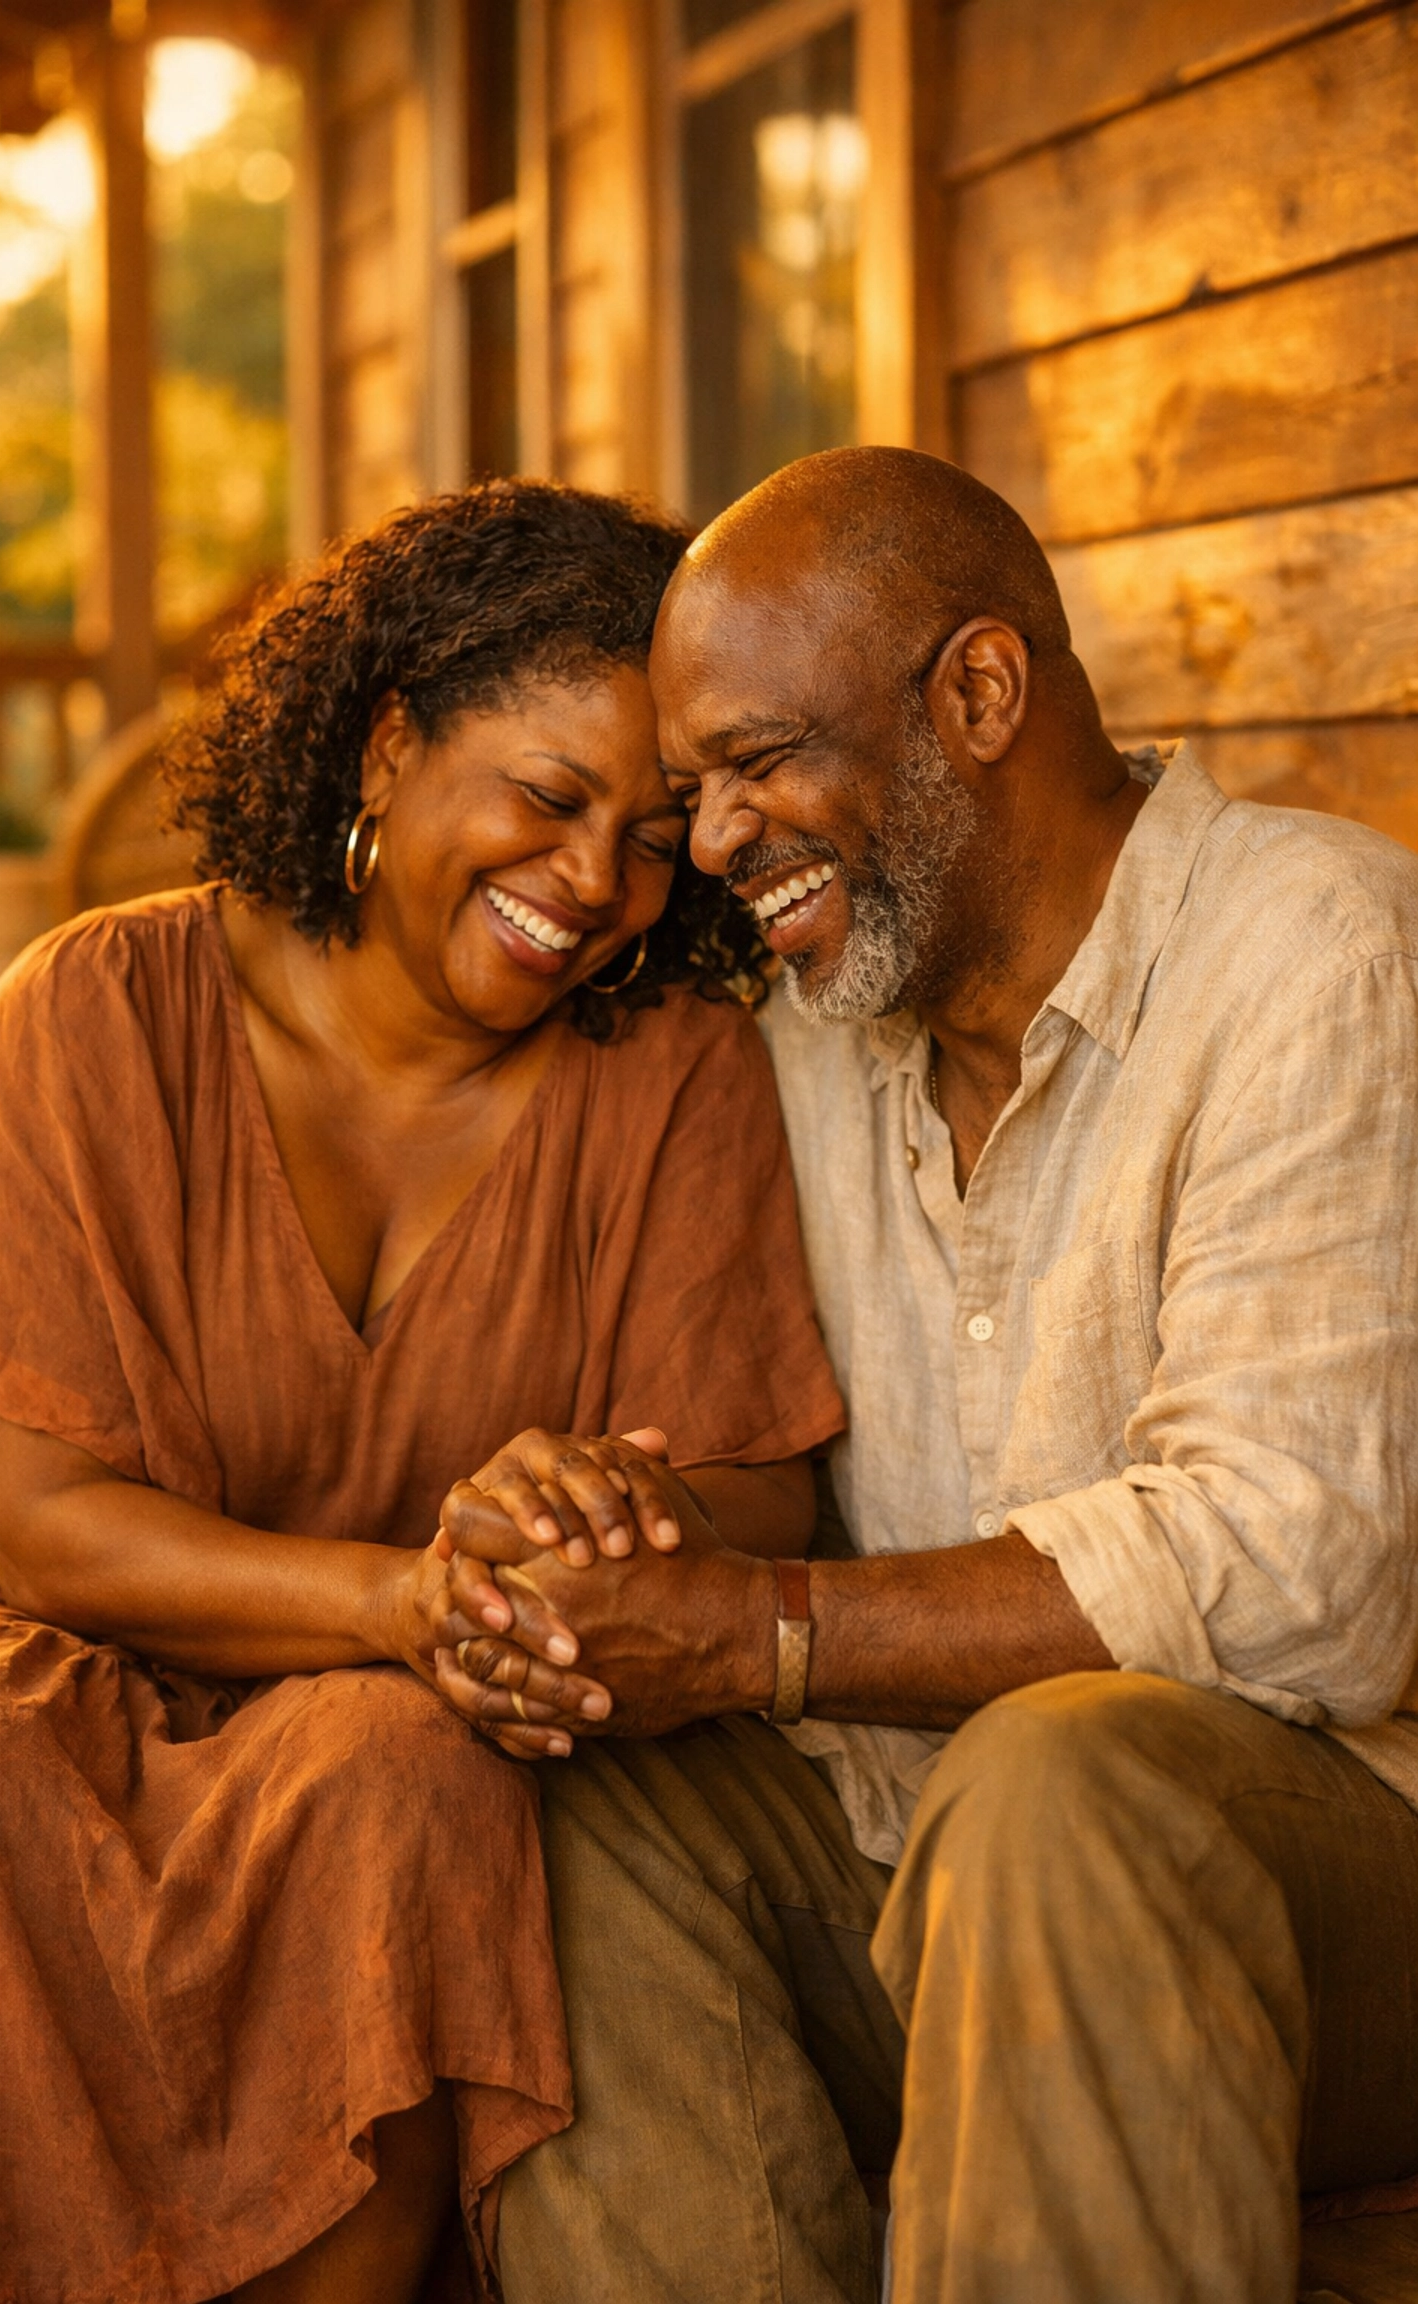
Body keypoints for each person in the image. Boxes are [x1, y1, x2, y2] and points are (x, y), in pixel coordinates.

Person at [431, 448, 1418, 2304]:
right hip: (911, 1868)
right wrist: (588, 1538)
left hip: (1330, 1882)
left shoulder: (1317, 950)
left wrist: (759, 1631)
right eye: (692, 790)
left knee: (1056, 1787)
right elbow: (724, 1466)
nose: (710, 843)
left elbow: (1305, 1574)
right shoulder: (809, 1035)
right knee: (568, 1790)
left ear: (977, 694)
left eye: (754, 763)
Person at [0, 480, 846, 2304]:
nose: (593, 887)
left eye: (651, 839)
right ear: (391, 746)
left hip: (421, 1697)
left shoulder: (675, 1079)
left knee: (403, 1773)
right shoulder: (90, 1013)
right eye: (548, 801)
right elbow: (45, 1523)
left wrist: (593, 1518)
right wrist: (407, 1598)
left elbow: (755, 1491)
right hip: (62, 1651)